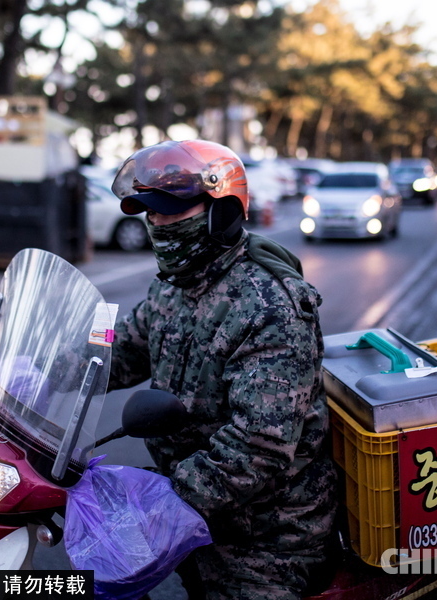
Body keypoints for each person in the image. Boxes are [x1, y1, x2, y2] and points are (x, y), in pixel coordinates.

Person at [107, 140, 338, 599]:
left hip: (267, 536)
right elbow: (122, 351)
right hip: (201, 510)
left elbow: (258, 449)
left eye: (170, 212)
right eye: (150, 214)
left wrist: (163, 500)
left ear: (221, 210)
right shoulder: (176, 287)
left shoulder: (268, 305)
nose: (156, 224)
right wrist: (34, 372)